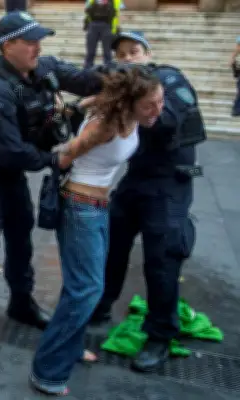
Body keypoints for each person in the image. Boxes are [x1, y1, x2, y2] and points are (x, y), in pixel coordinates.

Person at [0, 11, 103, 366]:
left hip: (13, 178)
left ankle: (22, 305)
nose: (38, 47)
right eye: (29, 41)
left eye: (39, 40)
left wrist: (130, 77)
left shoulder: (42, 67)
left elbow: (85, 79)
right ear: (7, 46)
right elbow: (8, 151)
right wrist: (56, 160)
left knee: (21, 244)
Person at [30, 65, 163, 396]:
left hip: (98, 206)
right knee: (87, 288)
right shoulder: (107, 126)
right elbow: (61, 158)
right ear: (130, 103)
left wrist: (83, 106)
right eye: (151, 105)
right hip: (80, 207)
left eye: (161, 102)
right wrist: (71, 143)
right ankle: (47, 371)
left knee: (83, 285)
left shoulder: (121, 111)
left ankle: (71, 349)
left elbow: (99, 100)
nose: (158, 110)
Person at [90, 31, 206, 373]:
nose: (128, 58)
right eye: (121, 54)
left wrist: (128, 104)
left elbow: (168, 119)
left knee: (161, 259)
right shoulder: (122, 87)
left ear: (148, 54)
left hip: (170, 182)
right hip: (137, 178)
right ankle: (101, 305)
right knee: (111, 243)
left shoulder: (168, 78)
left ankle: (160, 334)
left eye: (134, 51)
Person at [83, 0, 122, 69]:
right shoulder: (92, 0)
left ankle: (108, 71)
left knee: (107, 52)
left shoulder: (116, 1)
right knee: (90, 52)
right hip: (93, 25)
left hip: (106, 26)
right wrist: (86, 24)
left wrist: (117, 27)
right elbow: (87, 11)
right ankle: (87, 70)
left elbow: (117, 13)